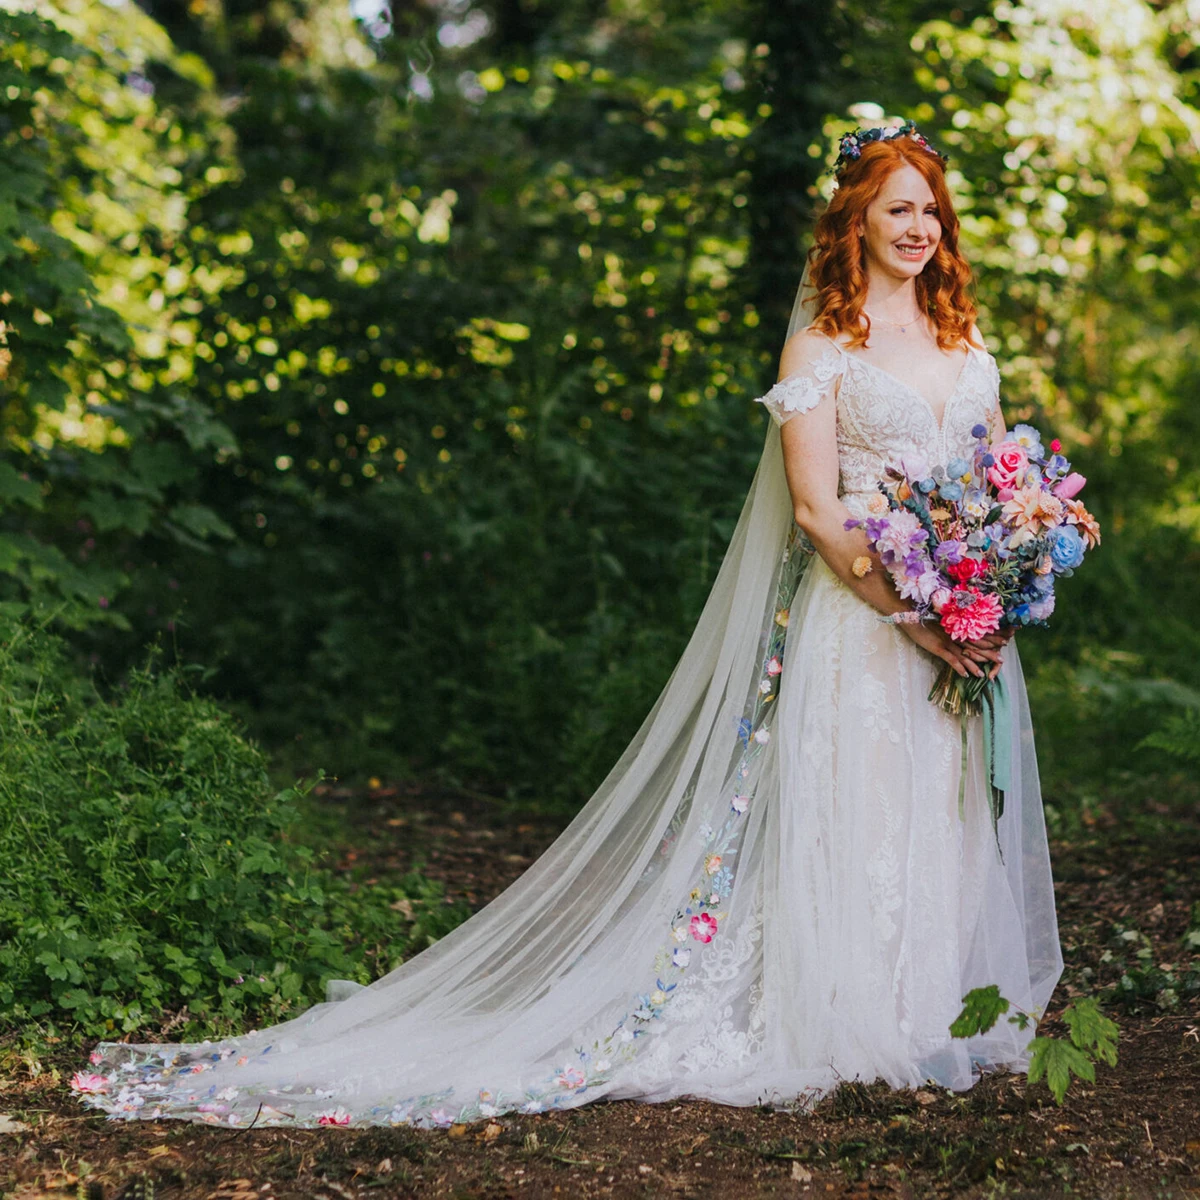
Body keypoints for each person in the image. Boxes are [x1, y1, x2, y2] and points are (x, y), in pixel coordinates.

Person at [75, 121, 1062, 1130]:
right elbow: (816, 510)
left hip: (963, 621)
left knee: (936, 808)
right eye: (898, 207)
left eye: (931, 209)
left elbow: (990, 483)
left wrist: (998, 578)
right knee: (861, 810)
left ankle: (926, 1009)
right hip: (864, 622)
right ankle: (847, 1015)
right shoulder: (823, 345)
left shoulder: (965, 339)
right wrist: (914, 610)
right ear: (853, 220)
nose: (920, 226)